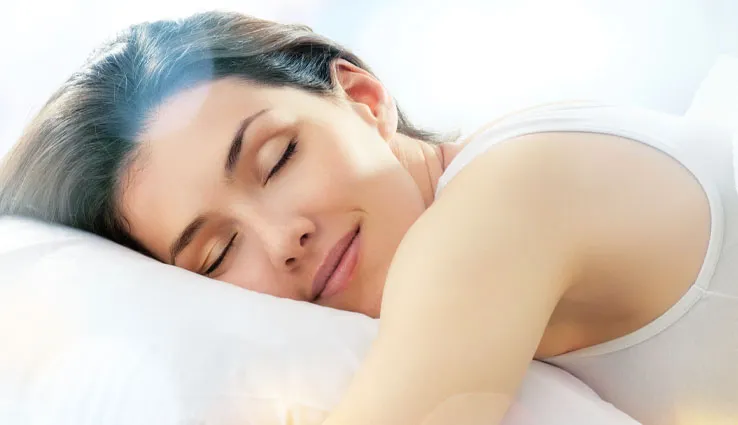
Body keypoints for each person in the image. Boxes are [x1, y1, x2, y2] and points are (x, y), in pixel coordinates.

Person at [1, 10, 736, 425]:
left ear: (364, 97)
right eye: (218, 254)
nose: (283, 236)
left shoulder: (497, 206)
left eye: (278, 156)